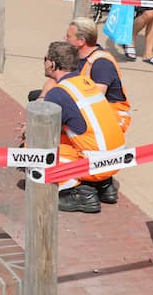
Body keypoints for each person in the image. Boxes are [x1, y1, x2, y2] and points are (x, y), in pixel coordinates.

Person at [41, 41, 126, 213]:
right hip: (116, 158)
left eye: (45, 59)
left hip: (96, 163)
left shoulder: (58, 93)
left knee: (34, 150)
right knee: (69, 137)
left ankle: (75, 192)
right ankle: (103, 185)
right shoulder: (86, 82)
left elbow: (43, 131)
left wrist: (28, 132)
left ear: (53, 64)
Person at [37, 18, 131, 133]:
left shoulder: (101, 63)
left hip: (112, 116)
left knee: (52, 124)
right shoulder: (75, 56)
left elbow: (95, 100)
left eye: (68, 36)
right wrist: (42, 99)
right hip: (86, 107)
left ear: (81, 41)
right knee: (39, 99)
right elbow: (55, 79)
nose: (64, 38)